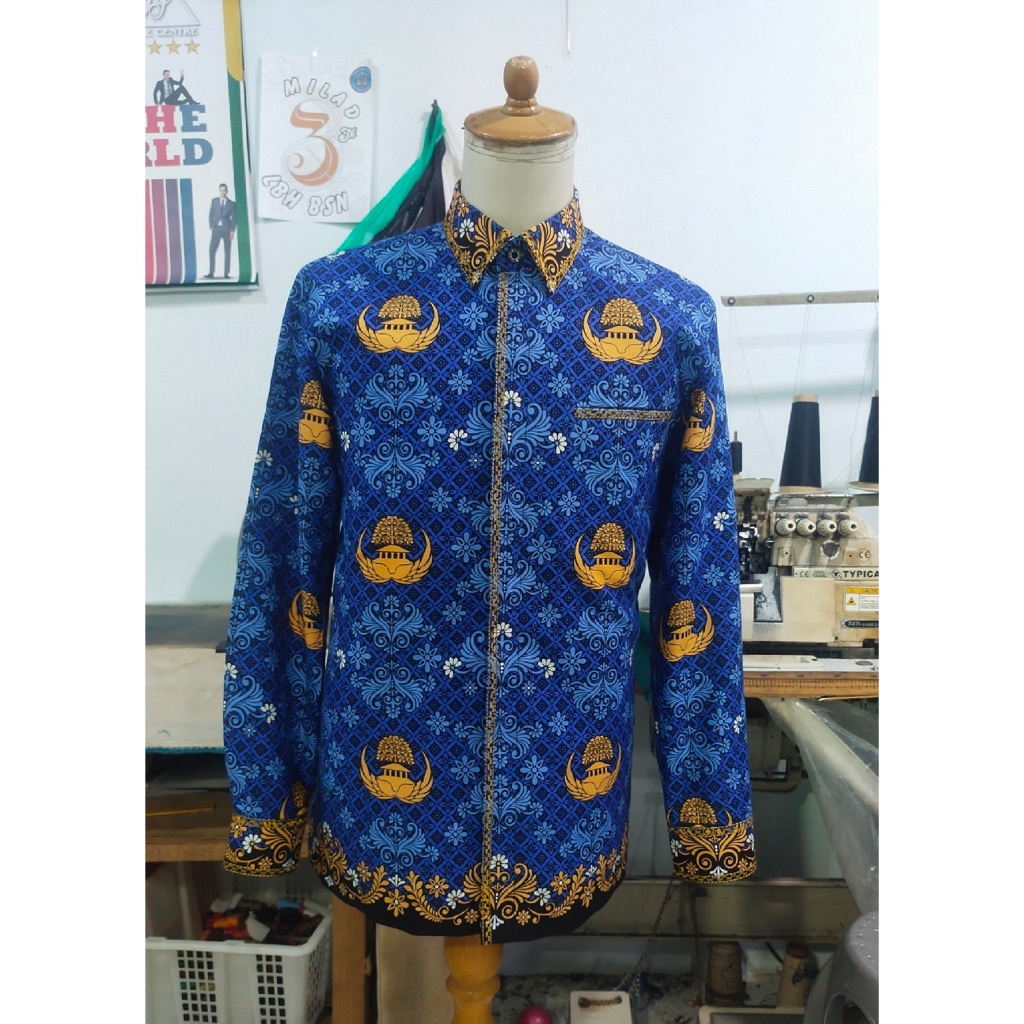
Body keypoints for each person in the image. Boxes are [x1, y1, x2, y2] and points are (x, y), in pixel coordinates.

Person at [204, 184, 236, 279]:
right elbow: (211, 214)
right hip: (216, 229)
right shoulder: (214, 201)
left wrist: (232, 231)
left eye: (224, 190)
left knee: (227, 251)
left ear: (227, 191)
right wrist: (211, 225)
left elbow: (234, 219)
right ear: (219, 191)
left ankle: (226, 273)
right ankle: (211, 273)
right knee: (212, 250)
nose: (222, 192)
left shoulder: (232, 204)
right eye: (221, 190)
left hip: (227, 229)